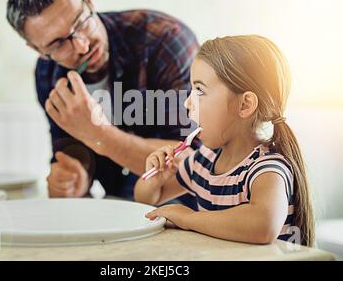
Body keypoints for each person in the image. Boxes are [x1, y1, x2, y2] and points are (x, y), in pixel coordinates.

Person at [6, 0, 199, 207]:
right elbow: (71, 148)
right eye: (58, 43)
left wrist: (99, 135)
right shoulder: (47, 73)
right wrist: (75, 177)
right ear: (38, 50)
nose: (82, 45)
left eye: (81, 22)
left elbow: (193, 163)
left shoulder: (165, 41)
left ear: (89, 0)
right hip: (118, 211)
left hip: (192, 215)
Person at [135, 35, 315, 246]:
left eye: (199, 90)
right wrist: (155, 180)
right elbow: (146, 199)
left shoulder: (267, 168)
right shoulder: (203, 160)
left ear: (244, 105)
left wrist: (189, 218)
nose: (187, 102)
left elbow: (263, 225)